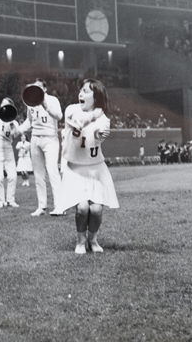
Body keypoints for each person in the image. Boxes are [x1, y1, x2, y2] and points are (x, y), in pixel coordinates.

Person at [56, 79, 119, 254]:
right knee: (82, 208)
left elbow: (99, 135)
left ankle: (93, 239)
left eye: (86, 91)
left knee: (96, 209)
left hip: (95, 169)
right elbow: (78, 121)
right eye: (81, 90)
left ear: (95, 97)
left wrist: (100, 135)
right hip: (75, 168)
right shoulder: (71, 109)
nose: (81, 94)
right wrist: (94, 114)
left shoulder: (104, 119)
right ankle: (80, 241)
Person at [19, 79, 63, 216]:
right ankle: (41, 206)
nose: (35, 90)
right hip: (35, 138)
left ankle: (60, 206)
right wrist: (19, 130)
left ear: (45, 88)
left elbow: (59, 116)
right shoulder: (30, 103)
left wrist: (46, 106)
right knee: (38, 174)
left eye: (38, 87)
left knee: (52, 171)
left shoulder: (53, 100)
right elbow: (29, 121)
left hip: (50, 138)